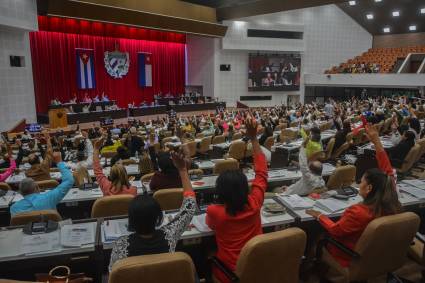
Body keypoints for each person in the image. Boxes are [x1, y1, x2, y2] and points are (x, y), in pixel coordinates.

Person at [306, 125, 401, 272]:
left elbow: (335, 231)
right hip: (375, 256)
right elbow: (388, 172)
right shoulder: (392, 201)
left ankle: (312, 270)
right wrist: (376, 142)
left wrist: (319, 216)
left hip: (349, 256)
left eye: (361, 181)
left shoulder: (358, 212)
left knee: (315, 236)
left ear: (369, 188)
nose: (358, 184)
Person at [108, 148, 196, 272]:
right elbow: (190, 207)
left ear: (131, 221)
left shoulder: (121, 245)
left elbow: (114, 275)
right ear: (158, 218)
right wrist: (182, 170)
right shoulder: (169, 235)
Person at [206, 117, 268, 283]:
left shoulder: (214, 211)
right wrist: (254, 138)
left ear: (220, 192)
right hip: (257, 268)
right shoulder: (255, 202)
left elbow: (210, 225)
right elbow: (261, 172)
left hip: (229, 274)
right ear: (244, 188)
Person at [10, 152, 74, 216]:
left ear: (21, 193)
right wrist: (59, 162)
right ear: (37, 187)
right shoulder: (49, 198)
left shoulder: (13, 209)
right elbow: (69, 180)